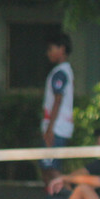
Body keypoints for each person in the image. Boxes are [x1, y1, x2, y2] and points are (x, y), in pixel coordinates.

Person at [39, 33, 75, 185]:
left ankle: (70, 195)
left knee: (51, 169)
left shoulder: (60, 72)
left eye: (51, 49)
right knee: (47, 167)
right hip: (58, 127)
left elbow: (57, 100)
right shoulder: (65, 71)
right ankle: (54, 197)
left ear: (62, 49)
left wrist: (50, 129)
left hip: (56, 128)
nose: (48, 53)